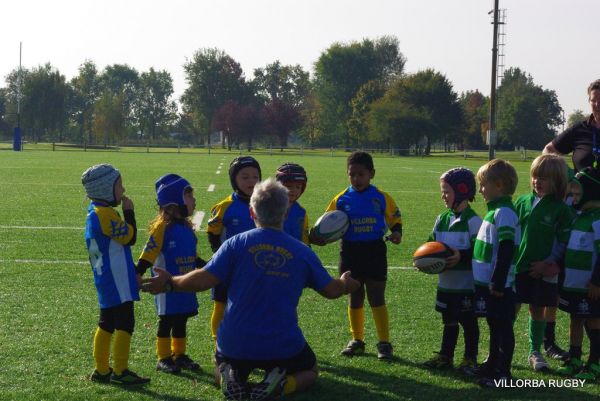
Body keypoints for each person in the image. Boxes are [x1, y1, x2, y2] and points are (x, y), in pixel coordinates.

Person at [141, 178, 360, 400]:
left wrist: (171, 282)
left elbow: (202, 279)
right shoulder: (302, 252)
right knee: (311, 371)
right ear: (285, 213)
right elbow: (331, 290)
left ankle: (228, 377)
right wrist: (344, 283)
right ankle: (282, 384)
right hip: (281, 343)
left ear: (252, 213)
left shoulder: (235, 244)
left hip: (235, 344)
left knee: (220, 364)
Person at [314, 151, 402, 360]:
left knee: (376, 295)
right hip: (350, 251)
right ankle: (357, 340)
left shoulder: (380, 197)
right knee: (354, 295)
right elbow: (327, 223)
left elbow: (394, 218)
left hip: (374, 250)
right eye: (352, 174)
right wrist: (319, 236)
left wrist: (397, 232)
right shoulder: (341, 199)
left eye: (361, 174)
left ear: (371, 174)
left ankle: (384, 342)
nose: (356, 179)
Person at [81, 163, 150, 385]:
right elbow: (129, 237)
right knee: (125, 322)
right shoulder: (105, 214)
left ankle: (102, 370)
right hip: (116, 277)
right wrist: (129, 212)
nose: (123, 189)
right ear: (105, 189)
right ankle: (120, 370)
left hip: (104, 277)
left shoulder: (94, 212)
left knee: (107, 322)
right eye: (119, 185)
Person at [136, 174, 204, 374]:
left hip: (184, 283)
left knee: (181, 318)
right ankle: (163, 357)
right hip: (165, 285)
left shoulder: (187, 227)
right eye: (189, 197)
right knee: (167, 320)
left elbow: (193, 257)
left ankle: (179, 354)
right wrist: (137, 273)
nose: (194, 201)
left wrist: (210, 267)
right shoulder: (161, 228)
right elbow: (148, 254)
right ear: (174, 203)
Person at [513, 155, 573, 372]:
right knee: (511, 308)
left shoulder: (561, 210)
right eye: (535, 176)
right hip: (518, 268)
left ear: (557, 181)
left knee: (537, 309)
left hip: (543, 270)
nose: (537, 181)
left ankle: (534, 351)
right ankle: (501, 348)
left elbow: (563, 241)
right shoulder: (521, 202)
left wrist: (548, 264)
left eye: (544, 178)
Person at [423, 168, 482, 375]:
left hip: (466, 285)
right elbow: (432, 244)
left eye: (447, 191)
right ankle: (445, 355)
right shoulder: (442, 219)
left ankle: (470, 358)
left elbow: (479, 251)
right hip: (446, 283)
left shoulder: (474, 222)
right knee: (448, 319)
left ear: (462, 191)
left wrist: (461, 256)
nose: (443, 196)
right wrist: (423, 258)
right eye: (442, 191)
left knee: (468, 321)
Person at [471, 159, 520, 387]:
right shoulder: (494, 212)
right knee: (493, 323)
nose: (480, 190)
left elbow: (507, 247)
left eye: (483, 185)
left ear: (499, 185)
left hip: (499, 285)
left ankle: (504, 374)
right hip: (488, 283)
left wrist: (498, 281)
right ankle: (492, 364)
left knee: (502, 325)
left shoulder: (504, 213)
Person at [207, 156, 261, 344]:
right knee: (221, 304)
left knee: (251, 305)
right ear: (234, 180)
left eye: (255, 177)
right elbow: (213, 233)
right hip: (227, 267)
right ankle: (218, 343)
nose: (251, 181)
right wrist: (220, 256)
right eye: (245, 177)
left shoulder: (263, 204)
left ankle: (249, 342)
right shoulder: (224, 207)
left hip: (254, 266)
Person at [556, 167, 600, 380]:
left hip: (590, 286)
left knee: (593, 321)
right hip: (573, 284)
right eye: (571, 194)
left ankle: (594, 363)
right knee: (575, 320)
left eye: (577, 195)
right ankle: (574, 359)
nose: (573, 199)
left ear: (591, 193)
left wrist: (596, 282)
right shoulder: (577, 217)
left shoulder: (598, 220)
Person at [543, 79, 600, 172]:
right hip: (581, 187)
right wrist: (567, 173)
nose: (597, 104)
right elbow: (548, 150)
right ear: (589, 101)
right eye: (594, 100)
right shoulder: (579, 129)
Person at [276, 163, 310, 244]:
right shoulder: (268, 208)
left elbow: (304, 241)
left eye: (298, 187)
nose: (293, 190)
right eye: (289, 186)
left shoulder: (301, 213)